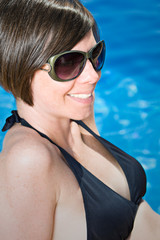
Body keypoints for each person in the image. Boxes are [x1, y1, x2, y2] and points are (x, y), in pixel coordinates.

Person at [0, 0, 159, 239]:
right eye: (68, 63)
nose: (92, 75)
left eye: (95, 55)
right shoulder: (28, 159)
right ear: (20, 67)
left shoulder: (74, 114)